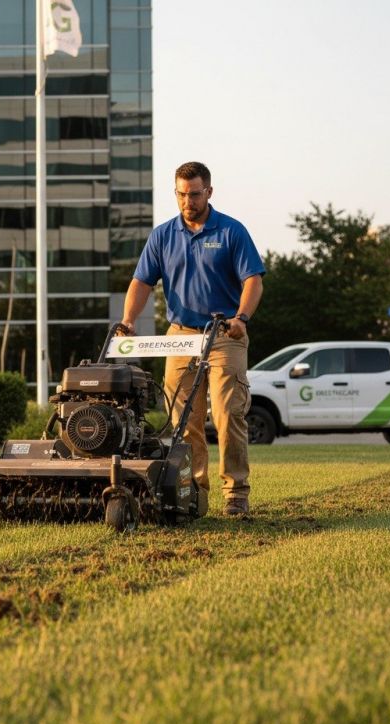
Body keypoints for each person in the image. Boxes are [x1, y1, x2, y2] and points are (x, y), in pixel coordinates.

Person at [121, 161, 265, 516]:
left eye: (195, 194)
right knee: (183, 420)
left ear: (209, 192)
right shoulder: (162, 235)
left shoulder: (231, 231)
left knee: (230, 413)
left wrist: (241, 318)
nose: (188, 201)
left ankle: (236, 494)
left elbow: (253, 280)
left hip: (224, 334)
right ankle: (194, 493)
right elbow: (142, 281)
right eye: (182, 194)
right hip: (180, 336)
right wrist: (127, 320)